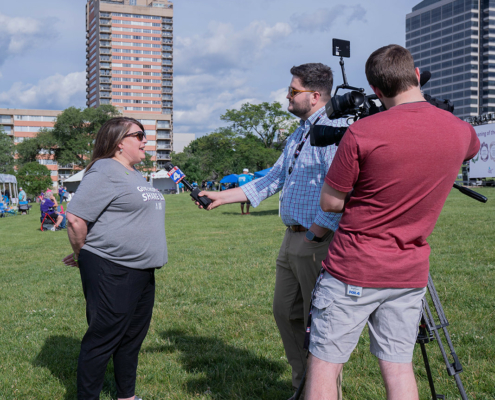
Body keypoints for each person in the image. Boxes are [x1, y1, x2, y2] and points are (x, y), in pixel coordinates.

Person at [305, 45, 480, 400]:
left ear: (376, 91)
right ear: (416, 76)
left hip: (353, 269)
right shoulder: (462, 132)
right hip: (409, 272)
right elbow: (467, 150)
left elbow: (330, 201)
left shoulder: (362, 133)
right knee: (399, 368)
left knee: (325, 365)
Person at [195, 63, 342, 400]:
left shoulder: (333, 131)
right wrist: (221, 197)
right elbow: (273, 179)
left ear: (315, 96)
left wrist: (317, 234)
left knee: (317, 326)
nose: (287, 96)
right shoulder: (300, 132)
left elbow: (342, 191)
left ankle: (323, 392)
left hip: (317, 240)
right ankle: (302, 386)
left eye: (293, 91)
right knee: (284, 312)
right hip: (291, 239)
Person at [62, 117, 168, 400]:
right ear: (120, 142)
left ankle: (126, 396)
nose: (146, 140)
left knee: (132, 338)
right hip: (114, 268)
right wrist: (81, 253)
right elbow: (74, 219)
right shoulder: (104, 170)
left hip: (142, 270)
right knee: (103, 338)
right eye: (140, 135)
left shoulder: (132, 173)